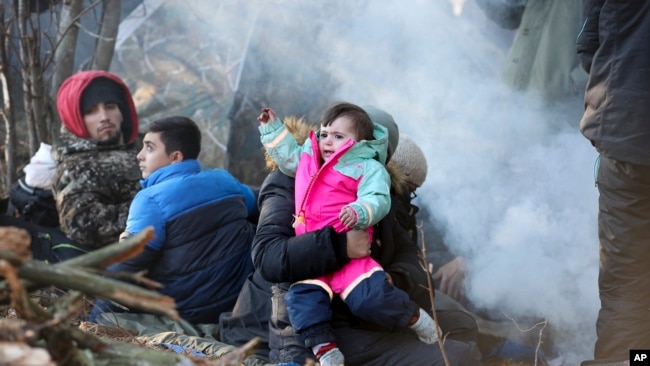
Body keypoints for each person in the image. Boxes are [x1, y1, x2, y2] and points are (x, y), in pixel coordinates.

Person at [254, 105, 480, 366]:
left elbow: (411, 256)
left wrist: (394, 279)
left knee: (463, 325)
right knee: (457, 356)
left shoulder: (373, 192)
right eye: (330, 136)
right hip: (309, 325)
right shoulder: (292, 179)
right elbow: (267, 257)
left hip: (363, 310)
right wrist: (340, 245)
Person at [89, 116, 257, 325]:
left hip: (186, 312)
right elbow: (259, 204)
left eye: (149, 148)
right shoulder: (224, 180)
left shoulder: (149, 200)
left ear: (175, 157)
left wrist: (94, 321)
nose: (139, 156)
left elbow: (125, 266)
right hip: (239, 302)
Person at [577, 1, 650, 363]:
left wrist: (624, 92)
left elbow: (587, 44)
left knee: (628, 284)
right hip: (626, 139)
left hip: (627, 138)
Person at [52, 70, 141, 249]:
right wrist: (155, 205)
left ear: (122, 111)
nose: (104, 117)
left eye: (110, 106)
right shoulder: (78, 166)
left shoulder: (146, 144)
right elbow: (82, 226)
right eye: (91, 111)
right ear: (77, 119)